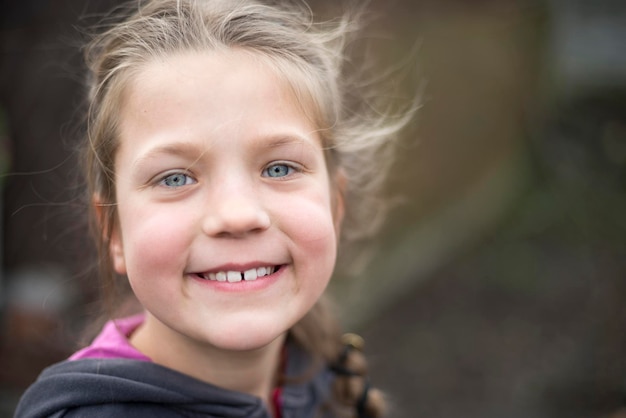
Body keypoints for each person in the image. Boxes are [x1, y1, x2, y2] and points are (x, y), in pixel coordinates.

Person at [15, 0, 415, 417]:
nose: (236, 215)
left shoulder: (329, 378)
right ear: (113, 231)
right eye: (175, 178)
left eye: (279, 168)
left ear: (335, 204)